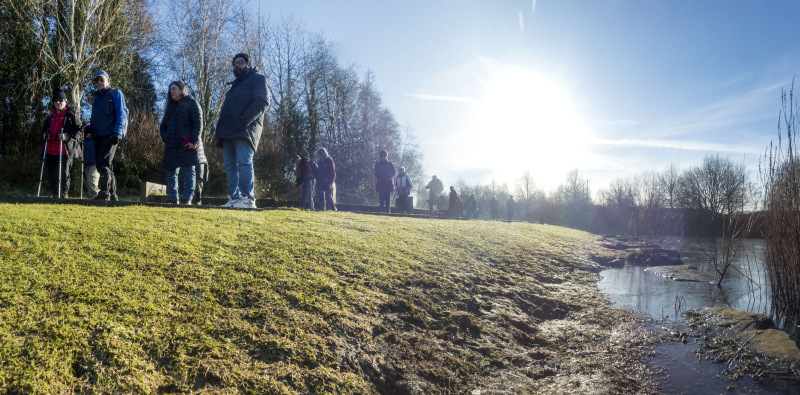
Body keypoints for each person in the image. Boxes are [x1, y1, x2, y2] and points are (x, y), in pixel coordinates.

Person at [215, 53, 270, 209]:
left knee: (243, 163)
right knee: (229, 164)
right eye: (234, 64)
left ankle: (247, 198)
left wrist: (244, 121)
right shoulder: (233, 86)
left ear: (249, 65)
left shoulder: (257, 78)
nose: (236, 66)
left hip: (244, 130)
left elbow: (262, 102)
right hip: (227, 132)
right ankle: (235, 198)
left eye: (240, 63)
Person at [85, 70, 127, 201]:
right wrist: (89, 129)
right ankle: (113, 195)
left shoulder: (115, 93)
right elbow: (95, 117)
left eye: (101, 80)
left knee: (103, 164)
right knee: (102, 164)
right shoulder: (96, 98)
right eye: (96, 80)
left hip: (110, 135)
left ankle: (104, 193)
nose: (99, 82)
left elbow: (122, 115)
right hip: (97, 135)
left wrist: (117, 133)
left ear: (108, 81)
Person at [160, 81, 204, 205]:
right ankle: (173, 199)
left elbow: (198, 124)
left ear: (181, 89)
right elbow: (163, 126)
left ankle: (187, 199)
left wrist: (193, 141)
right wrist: (166, 138)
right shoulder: (170, 106)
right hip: (171, 145)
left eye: (174, 89)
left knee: (188, 171)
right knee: (171, 172)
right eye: (170, 89)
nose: (171, 91)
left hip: (187, 144)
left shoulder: (192, 103)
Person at [41, 88, 83, 198]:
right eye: (55, 101)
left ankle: (64, 193)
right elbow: (44, 129)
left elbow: (79, 131)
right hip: (51, 149)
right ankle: (55, 193)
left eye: (60, 100)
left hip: (65, 150)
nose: (58, 103)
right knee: (52, 174)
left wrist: (66, 136)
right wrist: (45, 135)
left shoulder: (71, 114)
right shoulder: (50, 115)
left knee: (64, 174)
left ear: (65, 101)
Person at [83, 130, 99, 198]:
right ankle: (94, 196)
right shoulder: (85, 141)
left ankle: (98, 195)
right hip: (86, 163)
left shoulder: (97, 140)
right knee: (87, 182)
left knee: (91, 181)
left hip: (95, 164)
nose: (88, 134)